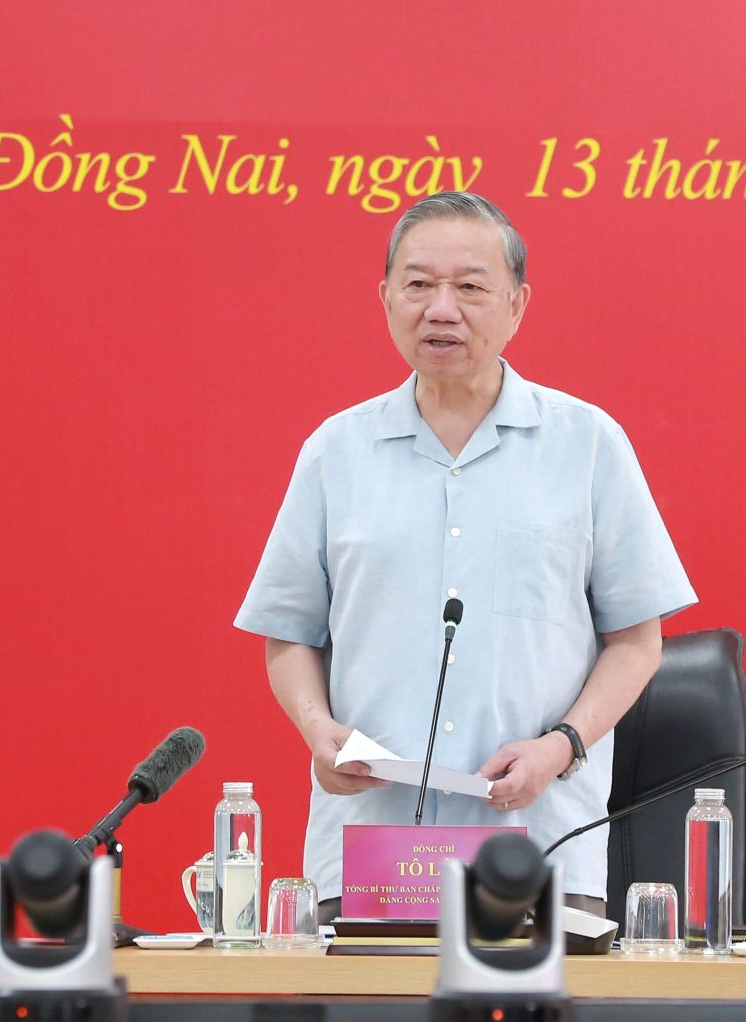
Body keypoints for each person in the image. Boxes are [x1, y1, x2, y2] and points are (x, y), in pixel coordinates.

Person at [234, 192, 694, 919]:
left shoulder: (587, 444)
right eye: (418, 285)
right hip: (370, 850)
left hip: (539, 841)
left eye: (471, 287)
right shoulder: (335, 452)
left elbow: (637, 641)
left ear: (517, 305)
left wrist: (561, 746)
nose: (441, 309)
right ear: (386, 299)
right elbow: (290, 633)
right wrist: (319, 733)